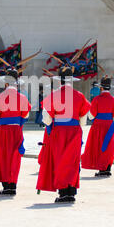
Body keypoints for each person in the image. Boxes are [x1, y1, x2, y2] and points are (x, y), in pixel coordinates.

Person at [36, 66, 90, 203]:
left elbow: (46, 119)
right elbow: (83, 120)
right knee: (72, 161)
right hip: (74, 131)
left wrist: (50, 126)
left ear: (59, 81)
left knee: (60, 161)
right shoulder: (79, 95)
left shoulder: (53, 95)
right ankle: (71, 192)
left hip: (59, 131)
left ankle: (63, 192)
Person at [0, 67, 31, 195]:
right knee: (14, 158)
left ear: (6, 83)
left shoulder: (0, 97)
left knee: (3, 158)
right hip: (16, 130)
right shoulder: (23, 98)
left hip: (2, 131)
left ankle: (6, 186)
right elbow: (25, 116)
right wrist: (18, 125)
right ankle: (12, 185)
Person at [81, 75, 114, 177]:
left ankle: (101, 169)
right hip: (109, 126)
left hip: (98, 125)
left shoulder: (96, 99)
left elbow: (91, 115)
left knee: (98, 146)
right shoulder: (113, 100)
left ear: (101, 88)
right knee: (109, 146)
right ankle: (107, 168)